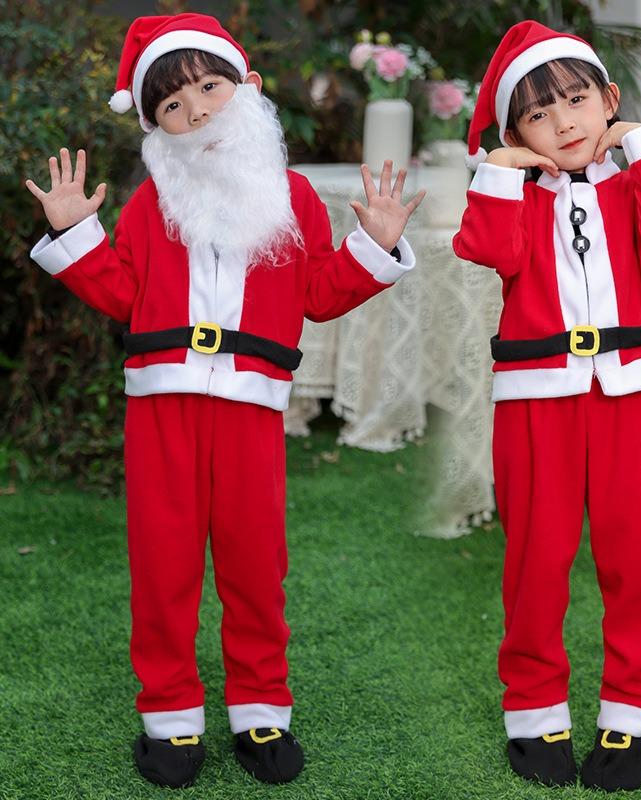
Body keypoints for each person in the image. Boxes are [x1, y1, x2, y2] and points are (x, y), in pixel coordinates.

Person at [25, 12, 424, 790]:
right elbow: (122, 292)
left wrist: (371, 246)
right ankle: (170, 716)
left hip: (252, 405)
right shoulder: (150, 202)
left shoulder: (294, 196)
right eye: (173, 104)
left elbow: (317, 291)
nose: (198, 111)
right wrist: (80, 235)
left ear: (248, 88)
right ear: (154, 123)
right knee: (164, 560)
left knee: (253, 560)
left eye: (210, 88)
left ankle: (259, 704)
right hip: (163, 403)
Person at [452, 20, 641, 792]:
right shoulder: (516, 199)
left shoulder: (636, 187)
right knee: (538, 561)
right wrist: (502, 167)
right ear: (515, 132)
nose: (563, 122)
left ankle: (632, 716)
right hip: (538, 405)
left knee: (639, 561)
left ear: (608, 100)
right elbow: (487, 249)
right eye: (537, 113)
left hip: (627, 397)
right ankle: (535, 714)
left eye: (577, 99)